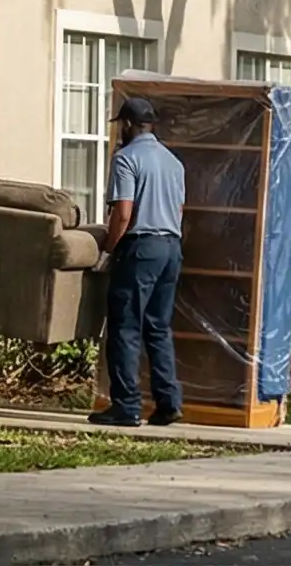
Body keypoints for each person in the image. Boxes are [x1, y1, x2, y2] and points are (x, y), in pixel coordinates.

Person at [92, 94, 187, 426]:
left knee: (125, 326)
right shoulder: (174, 162)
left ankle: (127, 406)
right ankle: (168, 402)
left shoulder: (126, 159)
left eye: (121, 125)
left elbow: (123, 213)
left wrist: (107, 249)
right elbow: (178, 211)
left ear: (128, 124)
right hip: (171, 248)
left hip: (140, 248)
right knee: (158, 327)